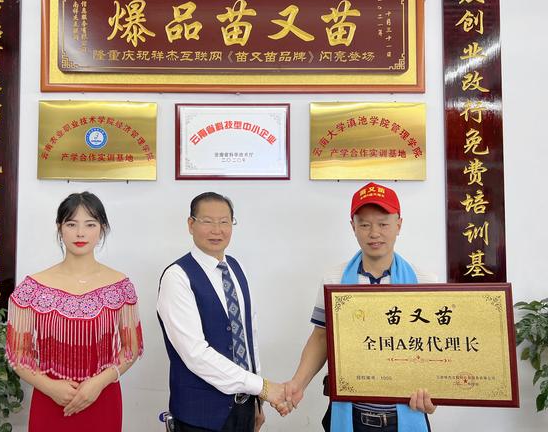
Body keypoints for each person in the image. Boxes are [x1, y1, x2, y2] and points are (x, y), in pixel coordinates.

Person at [282, 182, 437, 432]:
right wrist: (297, 384)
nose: (374, 233)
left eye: (383, 224)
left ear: (399, 225)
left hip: (404, 415)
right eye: (364, 224)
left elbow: (435, 346)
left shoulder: (424, 281)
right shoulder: (334, 279)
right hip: (351, 415)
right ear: (353, 227)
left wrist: (439, 390)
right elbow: (321, 336)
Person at [5, 192, 143, 431]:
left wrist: (99, 383)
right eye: (71, 224)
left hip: (102, 397)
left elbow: (131, 348)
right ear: (59, 228)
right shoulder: (32, 288)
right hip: (50, 399)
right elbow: (16, 353)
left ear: (102, 228)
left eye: (90, 224)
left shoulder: (120, 286)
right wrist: (50, 387)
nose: (80, 233)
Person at [157, 192, 286, 432]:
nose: (217, 230)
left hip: (244, 407)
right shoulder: (177, 277)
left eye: (224, 222)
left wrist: (257, 401)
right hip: (199, 416)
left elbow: (248, 337)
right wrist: (263, 387)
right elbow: (195, 354)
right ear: (191, 225)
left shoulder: (236, 268)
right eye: (207, 221)